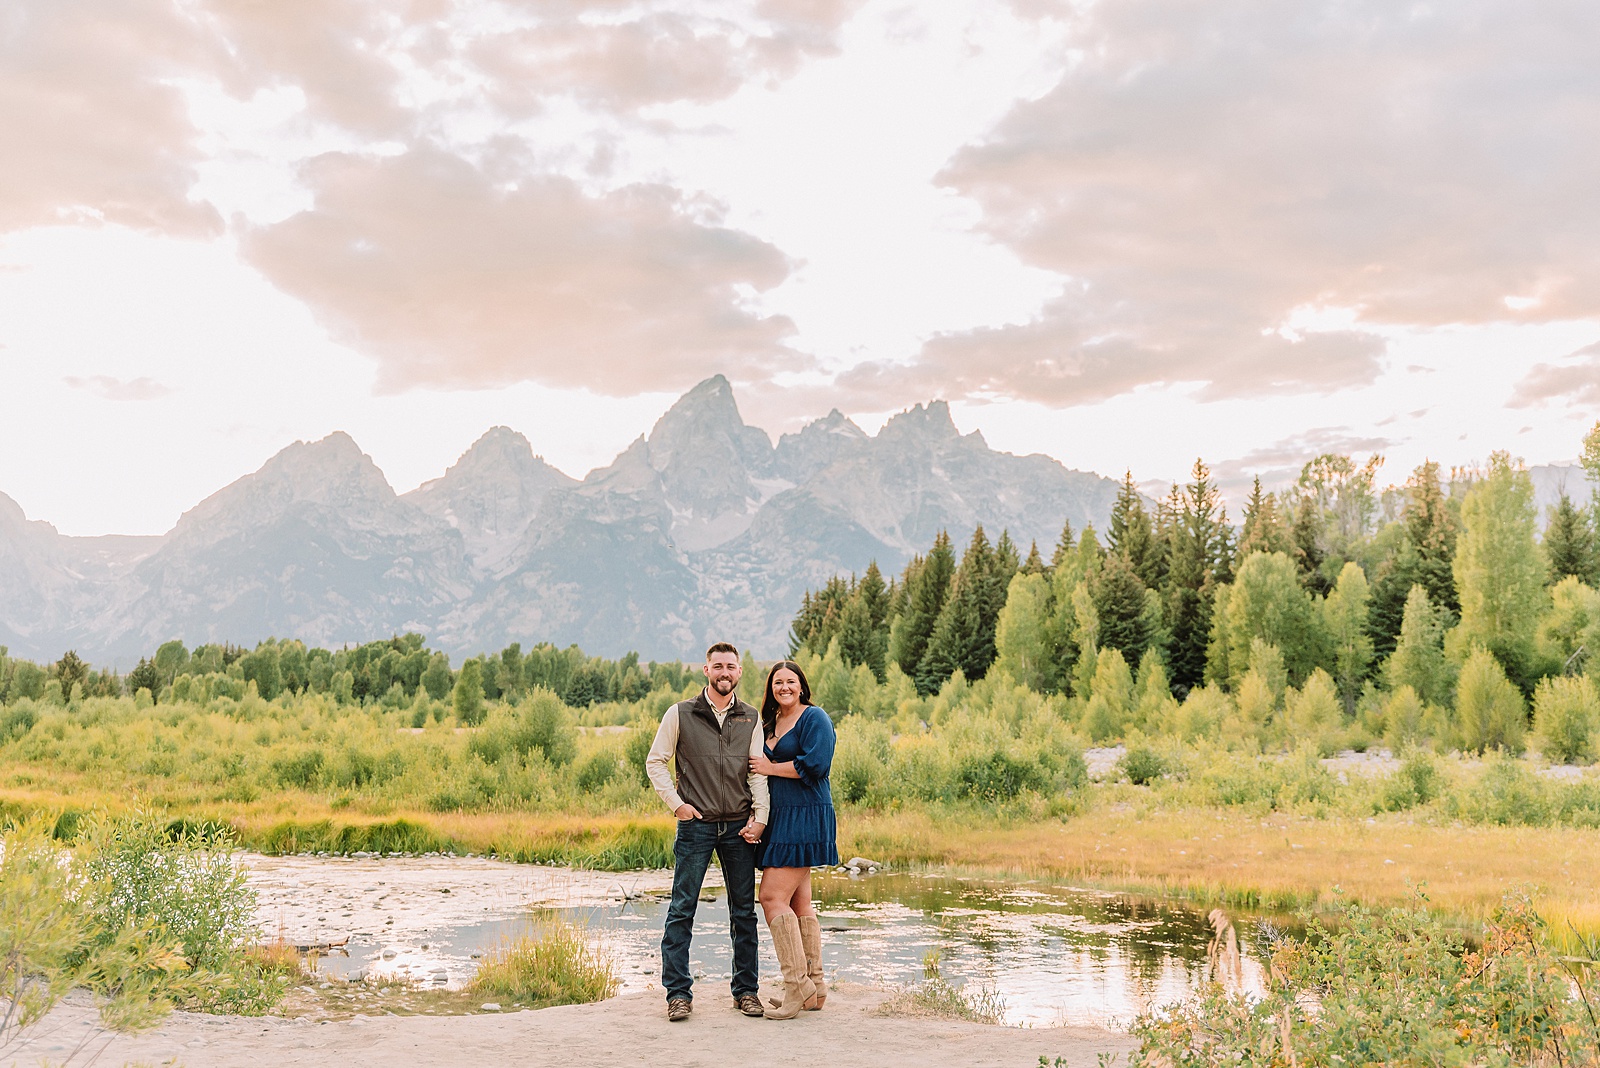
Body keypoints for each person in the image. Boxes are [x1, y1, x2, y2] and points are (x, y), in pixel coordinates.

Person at [645, 642, 769, 1022]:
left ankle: (746, 992)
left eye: (731, 667)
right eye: (718, 666)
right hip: (695, 827)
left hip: (738, 827)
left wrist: (760, 817)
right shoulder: (680, 713)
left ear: (739, 672)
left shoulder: (750, 717)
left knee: (744, 913)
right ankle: (678, 995)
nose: (724, 673)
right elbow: (655, 762)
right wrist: (677, 805)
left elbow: (756, 772)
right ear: (706, 670)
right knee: (682, 910)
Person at [750, 659, 838, 1020]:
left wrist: (769, 767)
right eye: (777, 682)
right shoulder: (769, 722)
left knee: (770, 897)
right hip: (781, 818)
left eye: (790, 681)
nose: (783, 687)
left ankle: (795, 985)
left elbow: (816, 765)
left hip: (805, 814)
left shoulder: (814, 718)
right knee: (799, 903)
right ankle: (814, 989)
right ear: (771, 688)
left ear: (801, 685)